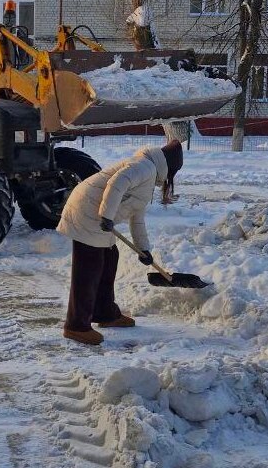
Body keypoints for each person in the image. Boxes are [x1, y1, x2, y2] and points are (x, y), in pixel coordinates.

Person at [56, 140, 183, 345]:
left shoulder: (148, 173)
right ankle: (76, 326)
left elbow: (137, 216)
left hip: (96, 213)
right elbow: (118, 182)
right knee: (89, 266)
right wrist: (107, 215)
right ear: (168, 166)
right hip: (87, 211)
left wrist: (144, 250)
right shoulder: (144, 166)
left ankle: (105, 313)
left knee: (110, 256)